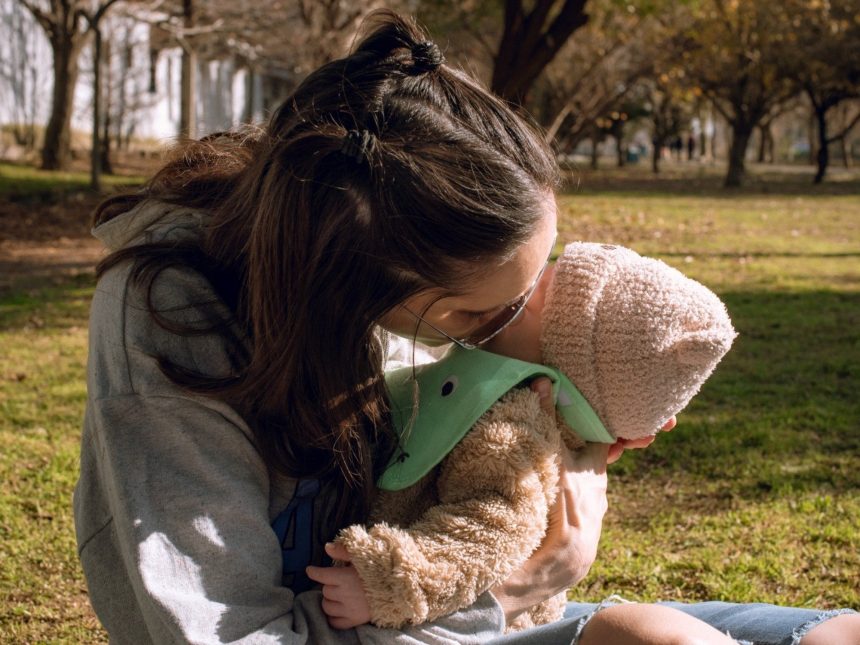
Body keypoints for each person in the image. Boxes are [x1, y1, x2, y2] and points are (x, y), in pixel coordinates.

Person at [74, 10, 859, 645]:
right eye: (477, 317)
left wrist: (585, 413)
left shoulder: (380, 256)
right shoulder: (174, 332)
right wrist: (524, 576)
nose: (499, 337)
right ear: (348, 285)